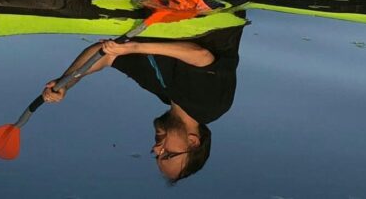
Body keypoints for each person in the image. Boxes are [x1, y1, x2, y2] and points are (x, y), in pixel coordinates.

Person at [42, 25, 245, 183]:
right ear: (193, 142)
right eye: (168, 155)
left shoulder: (162, 90)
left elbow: (107, 55)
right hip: (212, 10)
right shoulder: (210, 106)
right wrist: (134, 47)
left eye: (157, 156)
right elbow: (200, 55)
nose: (157, 150)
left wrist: (67, 82)